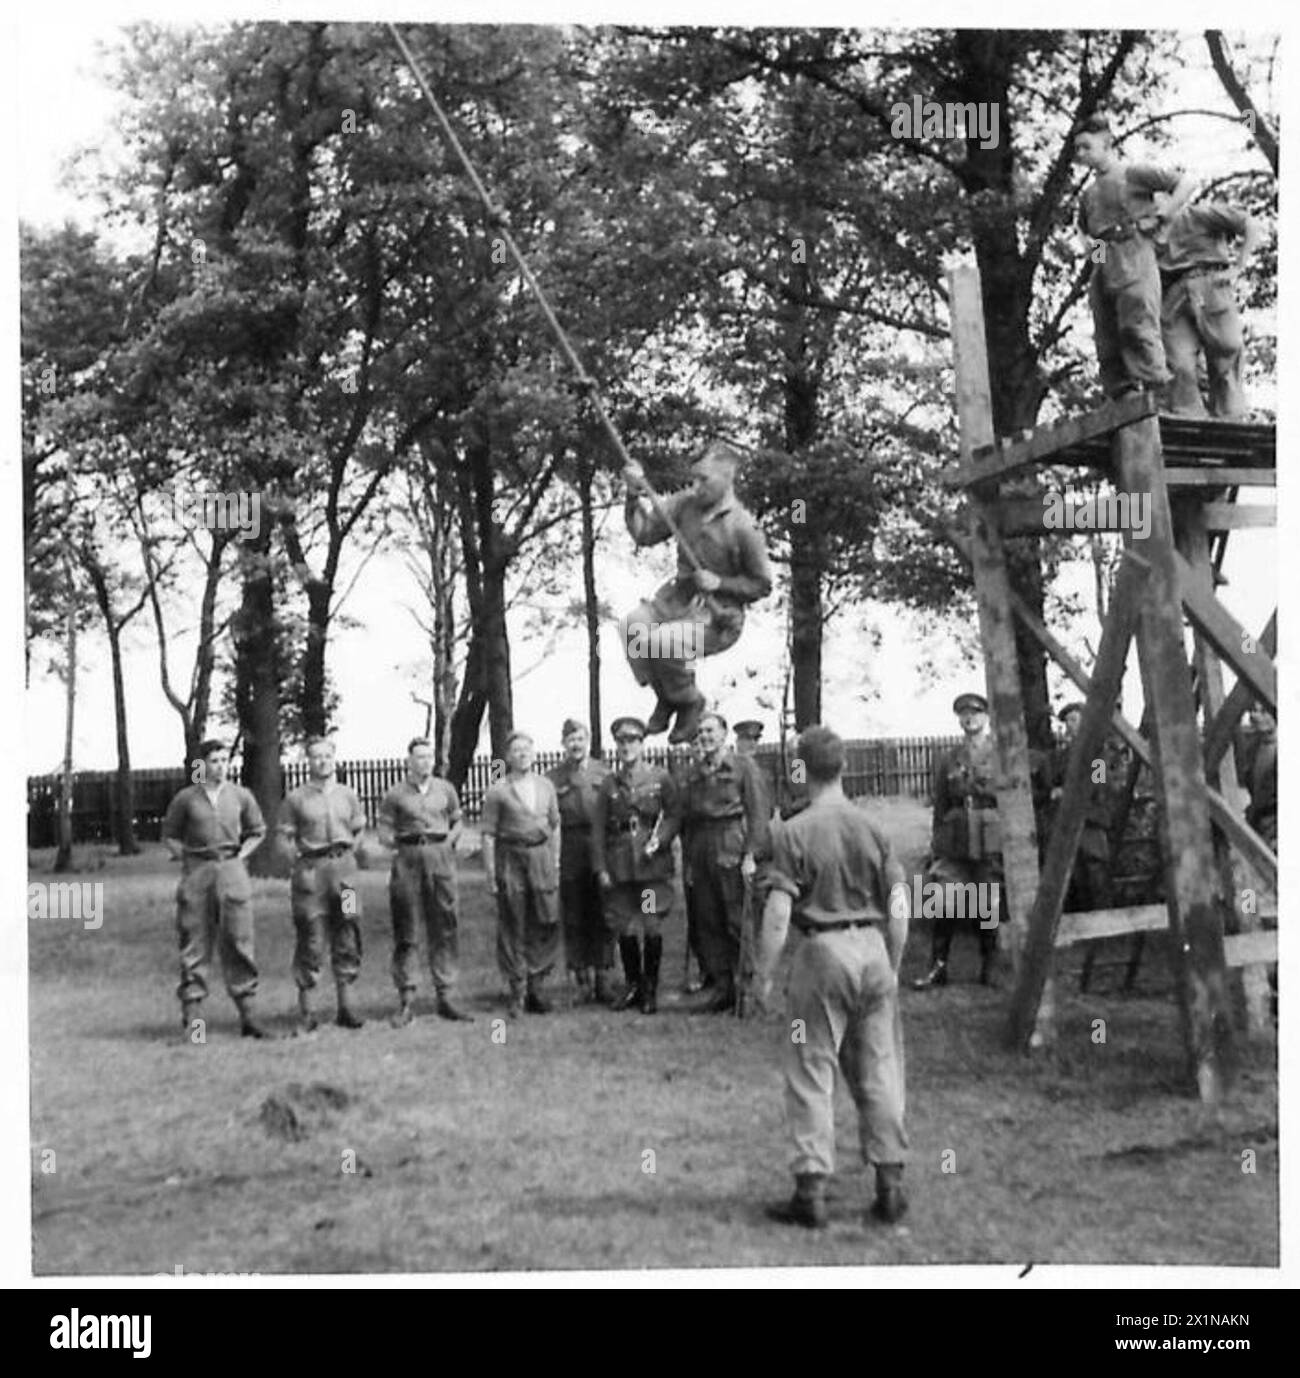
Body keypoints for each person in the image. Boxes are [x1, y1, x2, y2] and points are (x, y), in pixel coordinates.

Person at [755, 725, 909, 1229]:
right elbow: (900, 906)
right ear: (843, 767)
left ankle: (812, 1190)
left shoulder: (792, 832)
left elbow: (779, 914)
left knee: (810, 1069)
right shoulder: (873, 826)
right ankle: (890, 1184)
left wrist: (763, 976)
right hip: (872, 951)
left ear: (802, 770)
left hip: (822, 955)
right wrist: (894, 961)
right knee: (880, 1069)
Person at [622, 441, 773, 744]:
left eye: (704, 479)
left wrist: (720, 583)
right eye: (694, 478)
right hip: (676, 601)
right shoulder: (683, 504)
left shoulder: (744, 527)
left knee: (661, 642)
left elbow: (762, 585)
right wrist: (633, 493)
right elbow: (644, 533)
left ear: (726, 478)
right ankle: (666, 696)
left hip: (717, 617)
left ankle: (690, 701)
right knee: (632, 627)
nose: (696, 486)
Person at [1073, 114, 1195, 399]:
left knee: (1138, 325)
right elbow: (1084, 230)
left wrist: (1164, 214)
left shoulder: (1133, 174)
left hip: (1135, 251)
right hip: (1105, 259)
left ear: (1106, 143)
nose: (1081, 154)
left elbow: (1186, 183)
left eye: (1086, 147)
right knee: (1107, 332)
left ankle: (1159, 391)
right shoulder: (1088, 194)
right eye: (1077, 149)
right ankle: (1122, 395)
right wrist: (1093, 257)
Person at [161, 738, 271, 1040]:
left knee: (239, 940)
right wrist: (187, 858)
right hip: (198, 873)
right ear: (203, 764)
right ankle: (195, 1025)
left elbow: (257, 831)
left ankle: (249, 1019)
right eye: (214, 761)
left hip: (232, 871)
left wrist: (241, 856)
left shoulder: (240, 795)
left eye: (224, 760)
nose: (220, 766)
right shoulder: (187, 798)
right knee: (194, 944)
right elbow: (169, 834)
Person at [378, 737, 474, 1027]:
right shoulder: (395, 794)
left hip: (440, 857)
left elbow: (458, 821)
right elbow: (384, 829)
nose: (425, 762)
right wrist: (395, 845)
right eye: (419, 757)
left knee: (445, 924)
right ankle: (407, 997)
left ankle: (445, 995)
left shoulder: (445, 790)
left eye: (429, 757)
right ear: (409, 761)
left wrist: (450, 841)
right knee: (406, 926)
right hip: (408, 857)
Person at [913, 693, 1003, 989]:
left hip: (989, 834)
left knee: (987, 902)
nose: (969, 719)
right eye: (963, 714)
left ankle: (990, 966)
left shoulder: (999, 753)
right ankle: (938, 967)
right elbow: (941, 804)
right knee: (943, 900)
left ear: (986, 717)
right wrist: (937, 841)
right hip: (956, 836)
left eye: (975, 714)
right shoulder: (950, 758)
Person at [592, 716, 681, 1014]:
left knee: (651, 924)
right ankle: (633, 985)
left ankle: (650, 990)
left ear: (642, 744)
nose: (626, 747)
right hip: (620, 866)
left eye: (632, 741)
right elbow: (598, 829)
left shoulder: (659, 777)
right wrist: (601, 868)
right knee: (625, 927)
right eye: (621, 742)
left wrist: (662, 839)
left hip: (648, 866)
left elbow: (673, 815)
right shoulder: (609, 783)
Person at [278, 737, 367, 1033]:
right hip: (312, 874)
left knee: (348, 930)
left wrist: (351, 853)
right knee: (311, 936)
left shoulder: (348, 794)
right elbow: (284, 838)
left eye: (327, 755)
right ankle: (307, 1011)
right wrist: (299, 864)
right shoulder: (296, 798)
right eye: (316, 757)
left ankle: (347, 1007)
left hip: (345, 875)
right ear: (308, 760)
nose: (322, 761)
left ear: (335, 757)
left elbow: (359, 827)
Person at [679, 710, 766, 1012]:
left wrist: (752, 855)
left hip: (731, 842)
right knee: (709, 921)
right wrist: (689, 861)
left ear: (724, 734)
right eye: (701, 732)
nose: (705, 737)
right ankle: (722, 987)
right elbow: (686, 818)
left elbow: (757, 815)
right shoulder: (693, 772)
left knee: (736, 921)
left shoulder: (744, 767)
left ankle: (747, 993)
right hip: (700, 846)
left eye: (711, 731)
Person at [480, 731, 562, 1017]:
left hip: (541, 857)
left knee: (546, 920)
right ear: (508, 756)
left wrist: (556, 861)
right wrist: (491, 874)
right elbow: (488, 835)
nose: (522, 754)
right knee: (513, 922)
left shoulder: (546, 786)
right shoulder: (498, 790)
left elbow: (555, 824)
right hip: (510, 859)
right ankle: (517, 989)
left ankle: (537, 986)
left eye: (527, 749)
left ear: (534, 753)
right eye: (516, 750)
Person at [1157, 199, 1260, 419]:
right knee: (1179, 361)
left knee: (1227, 348)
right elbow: (1104, 246)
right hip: (1171, 295)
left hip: (1208, 283)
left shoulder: (1198, 214)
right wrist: (1094, 254)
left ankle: (1230, 416)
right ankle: (1188, 415)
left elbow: (1249, 224)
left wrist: (1240, 265)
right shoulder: (1133, 225)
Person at [546, 719, 613, 1004]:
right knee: (574, 913)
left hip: (599, 844)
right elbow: (549, 819)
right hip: (570, 846)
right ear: (563, 744)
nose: (576, 744)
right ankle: (580, 979)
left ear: (588, 741)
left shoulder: (605, 773)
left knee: (603, 911)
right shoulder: (553, 778)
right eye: (570, 739)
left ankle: (603, 977)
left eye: (580, 738)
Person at [1041, 702, 1115, 915]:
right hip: (1067, 823)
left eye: (1074, 719)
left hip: (1091, 821)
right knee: (1075, 876)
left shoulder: (1097, 753)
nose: (1070, 725)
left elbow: (1099, 783)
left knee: (1097, 874)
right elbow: (1052, 784)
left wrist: (1069, 792)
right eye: (1067, 722)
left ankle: (1105, 924)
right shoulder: (1061, 756)